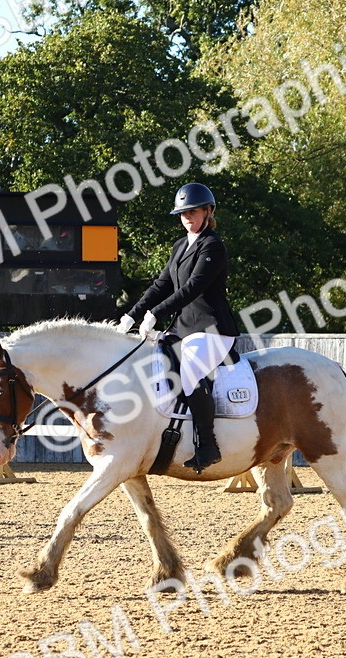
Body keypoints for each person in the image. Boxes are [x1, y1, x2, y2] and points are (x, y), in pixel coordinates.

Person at [117, 182, 239, 472]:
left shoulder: (213, 245)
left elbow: (193, 288)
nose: (187, 217)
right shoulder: (180, 245)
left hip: (212, 329)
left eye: (193, 212)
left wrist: (156, 314)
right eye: (183, 213)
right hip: (183, 327)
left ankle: (208, 446)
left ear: (208, 212)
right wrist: (132, 315)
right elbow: (162, 285)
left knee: (189, 372)